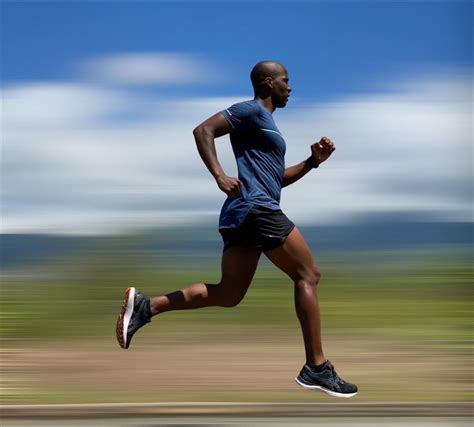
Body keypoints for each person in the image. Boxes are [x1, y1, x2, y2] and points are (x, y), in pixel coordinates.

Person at [116, 60, 358, 398]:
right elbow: (203, 130)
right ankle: (316, 367)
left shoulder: (267, 126)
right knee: (308, 274)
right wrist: (218, 174)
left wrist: (312, 162)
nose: (291, 87)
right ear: (268, 82)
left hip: (241, 213)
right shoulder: (251, 111)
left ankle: (146, 306)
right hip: (257, 209)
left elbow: (277, 179)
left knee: (229, 294)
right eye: (286, 81)